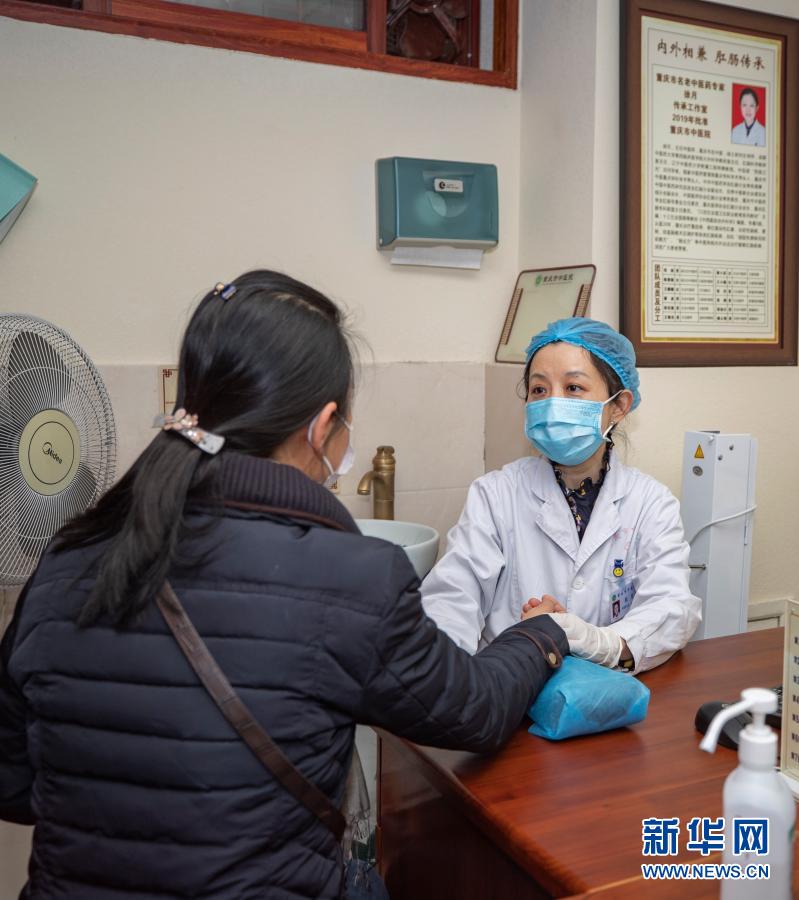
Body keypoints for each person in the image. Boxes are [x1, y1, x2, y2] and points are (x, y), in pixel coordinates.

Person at [0, 271, 567, 900]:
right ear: (322, 428)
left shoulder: (68, 555)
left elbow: (13, 784)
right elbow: (475, 711)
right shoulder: (352, 577)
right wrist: (543, 634)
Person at [422, 317, 701, 674]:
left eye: (573, 388)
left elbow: (672, 609)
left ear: (618, 405)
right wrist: (449, 680)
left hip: (609, 690)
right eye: (539, 390)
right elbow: (451, 600)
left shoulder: (651, 503)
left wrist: (592, 640)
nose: (553, 404)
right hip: (510, 688)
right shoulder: (495, 494)